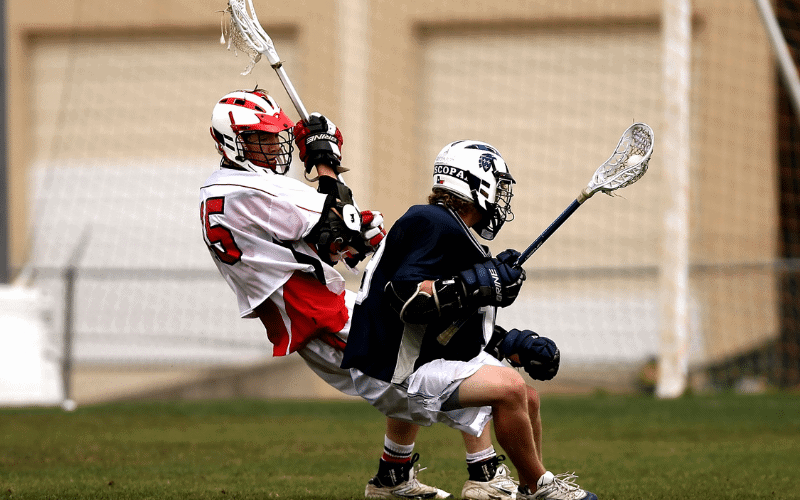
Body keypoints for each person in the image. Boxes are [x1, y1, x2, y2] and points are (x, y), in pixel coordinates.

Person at [199, 88, 451, 499]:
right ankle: (488, 473)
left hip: (317, 301)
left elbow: (324, 240)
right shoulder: (251, 189)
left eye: (271, 136)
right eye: (258, 138)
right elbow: (340, 218)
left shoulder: (224, 187)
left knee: (417, 356)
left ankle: (394, 477)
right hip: (314, 314)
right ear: (230, 140)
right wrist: (324, 161)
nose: (269, 146)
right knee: (435, 378)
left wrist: (349, 234)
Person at [341, 140, 599, 500]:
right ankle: (538, 488)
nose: (501, 199)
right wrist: (480, 283)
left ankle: (523, 486)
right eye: (499, 186)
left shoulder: (452, 233)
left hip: (412, 357)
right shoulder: (430, 221)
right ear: (476, 184)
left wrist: (509, 342)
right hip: (390, 366)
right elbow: (406, 299)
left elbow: (455, 321)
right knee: (508, 388)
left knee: (527, 397)